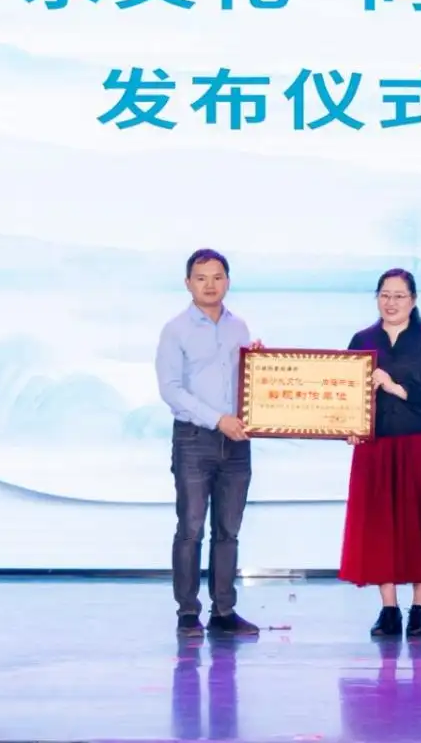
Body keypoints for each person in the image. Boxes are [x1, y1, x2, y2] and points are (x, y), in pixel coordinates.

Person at [338, 268, 421, 638]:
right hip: (375, 444)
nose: (391, 303)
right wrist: (348, 425)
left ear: (413, 300)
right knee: (380, 525)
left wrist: (395, 387)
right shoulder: (362, 340)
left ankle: (419, 607)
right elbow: (345, 392)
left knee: (419, 522)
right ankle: (388, 608)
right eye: (385, 295)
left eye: (399, 296)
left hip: (417, 442)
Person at [156, 248, 263, 639]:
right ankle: (188, 612)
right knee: (191, 528)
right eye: (201, 278)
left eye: (218, 277)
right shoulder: (175, 330)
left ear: (228, 282)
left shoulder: (239, 328)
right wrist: (218, 420)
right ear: (188, 283)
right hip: (194, 439)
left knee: (228, 530)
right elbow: (171, 390)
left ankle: (224, 611)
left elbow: (246, 382)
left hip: (237, 442)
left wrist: (262, 366)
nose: (210, 285)